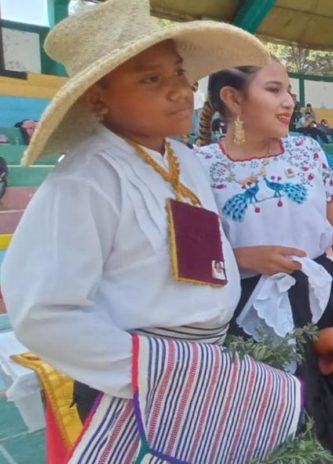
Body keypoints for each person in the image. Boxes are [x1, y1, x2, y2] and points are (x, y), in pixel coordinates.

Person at [0, 0, 303, 462]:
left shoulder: (183, 161)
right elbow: (44, 313)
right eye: (151, 79)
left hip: (201, 369)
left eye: (179, 73)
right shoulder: (86, 181)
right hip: (134, 386)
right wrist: (153, 372)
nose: (182, 91)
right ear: (97, 98)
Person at [196, 60, 333, 464]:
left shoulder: (306, 150)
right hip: (246, 312)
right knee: (270, 413)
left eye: (289, 91)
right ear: (233, 99)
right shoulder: (201, 166)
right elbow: (193, 254)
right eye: (274, 90)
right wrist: (242, 257)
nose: (289, 102)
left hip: (320, 298)